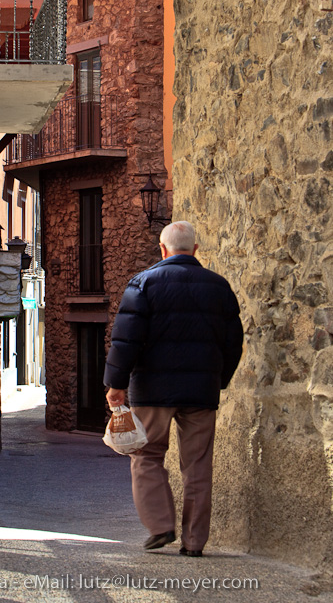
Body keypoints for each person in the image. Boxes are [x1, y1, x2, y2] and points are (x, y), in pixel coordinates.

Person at [104, 221, 243, 557]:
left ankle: (161, 525)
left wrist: (116, 384)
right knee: (198, 465)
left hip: (153, 390)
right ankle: (194, 542)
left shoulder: (143, 283)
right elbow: (234, 342)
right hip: (201, 392)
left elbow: (125, 339)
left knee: (146, 455)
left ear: (163, 250)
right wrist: (217, 380)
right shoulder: (219, 287)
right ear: (195, 250)